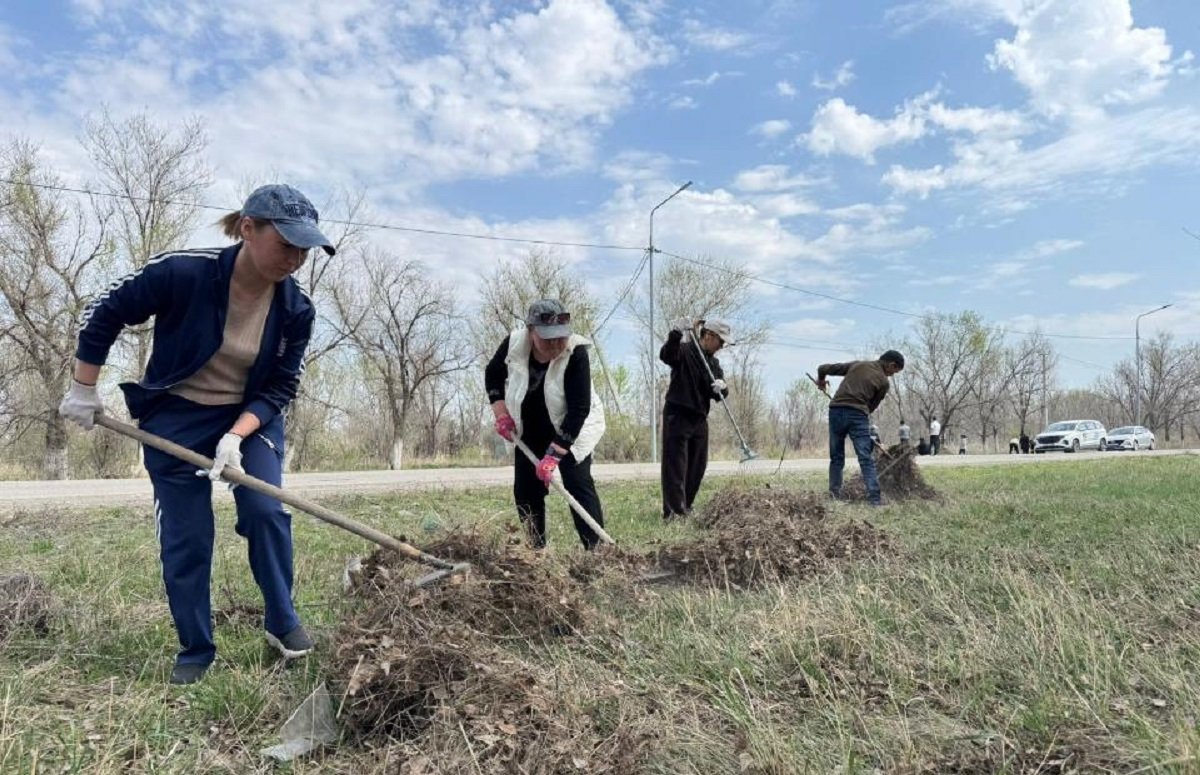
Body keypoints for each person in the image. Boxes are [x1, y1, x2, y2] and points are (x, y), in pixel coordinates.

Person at [58, 184, 334, 685]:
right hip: (176, 415)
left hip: (249, 419)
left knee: (265, 509)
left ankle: (282, 621)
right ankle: (195, 648)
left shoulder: (297, 309)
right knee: (187, 537)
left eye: (304, 249)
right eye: (286, 244)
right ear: (248, 228)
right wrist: (83, 388)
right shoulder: (185, 271)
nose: (295, 258)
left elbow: (281, 385)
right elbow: (105, 311)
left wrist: (236, 436)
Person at [485, 299, 606, 550]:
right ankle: (535, 551)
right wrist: (500, 411)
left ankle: (597, 550)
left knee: (577, 483)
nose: (555, 344)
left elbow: (579, 410)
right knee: (526, 489)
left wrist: (555, 454)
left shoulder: (576, 353)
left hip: (571, 426)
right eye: (547, 338)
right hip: (529, 425)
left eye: (560, 337)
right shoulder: (513, 344)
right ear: (531, 331)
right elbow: (492, 373)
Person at [658, 317, 732, 521]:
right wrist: (675, 333)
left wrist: (722, 388)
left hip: (699, 417)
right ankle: (673, 512)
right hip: (678, 413)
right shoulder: (684, 351)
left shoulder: (713, 364)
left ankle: (686, 505)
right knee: (676, 466)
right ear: (709, 336)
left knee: (698, 465)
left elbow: (718, 394)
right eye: (721, 341)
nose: (722, 346)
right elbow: (666, 355)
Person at [816, 350, 905, 506]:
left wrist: (821, 381)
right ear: (891, 365)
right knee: (865, 459)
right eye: (894, 371)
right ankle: (875, 500)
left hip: (835, 411)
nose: (892, 375)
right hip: (857, 415)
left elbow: (823, 368)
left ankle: (834, 495)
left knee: (836, 457)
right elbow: (870, 408)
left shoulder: (857, 365)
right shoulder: (883, 382)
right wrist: (862, 430)